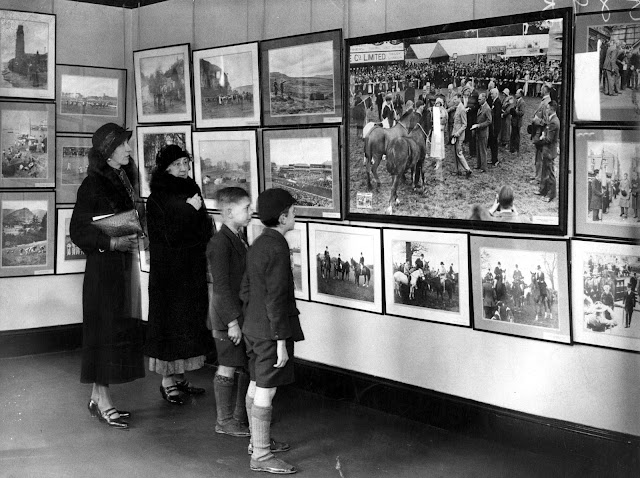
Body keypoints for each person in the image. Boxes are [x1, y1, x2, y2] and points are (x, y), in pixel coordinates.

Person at [70, 123, 145, 430]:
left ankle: (96, 396)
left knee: (113, 330)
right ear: (108, 152)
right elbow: (78, 231)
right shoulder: (91, 186)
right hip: (103, 271)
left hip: (121, 268)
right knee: (104, 332)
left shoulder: (122, 179)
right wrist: (111, 242)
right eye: (124, 145)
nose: (129, 149)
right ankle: (103, 401)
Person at [144, 144, 213, 406]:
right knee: (170, 325)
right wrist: (189, 210)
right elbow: (169, 235)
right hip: (169, 274)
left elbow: (203, 227)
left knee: (187, 322)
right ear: (167, 168)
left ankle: (179, 377)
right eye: (179, 164)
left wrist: (193, 212)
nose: (184, 168)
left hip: (190, 268)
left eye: (186, 162)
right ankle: (166, 382)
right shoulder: (158, 197)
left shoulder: (191, 191)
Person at [241, 188, 303, 474]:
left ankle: (257, 443)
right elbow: (276, 299)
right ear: (282, 217)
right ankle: (262, 456)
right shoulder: (278, 247)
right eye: (292, 211)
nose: (295, 215)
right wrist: (280, 340)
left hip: (253, 328)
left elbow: (245, 289)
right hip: (269, 332)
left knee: (256, 382)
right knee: (267, 389)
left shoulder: (258, 242)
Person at [207, 187, 253, 437]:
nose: (251, 212)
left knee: (242, 364)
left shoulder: (238, 237)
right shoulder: (219, 243)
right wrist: (233, 322)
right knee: (227, 366)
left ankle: (238, 418)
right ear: (228, 211)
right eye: (246, 208)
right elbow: (222, 287)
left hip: (238, 314)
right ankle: (224, 421)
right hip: (227, 317)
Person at [534, 100, 559, 202]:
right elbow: (547, 131)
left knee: (550, 173)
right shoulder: (551, 119)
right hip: (547, 150)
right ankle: (543, 190)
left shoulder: (554, 121)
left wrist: (539, 141)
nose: (546, 109)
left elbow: (549, 139)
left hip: (549, 150)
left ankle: (551, 194)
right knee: (545, 171)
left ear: (552, 109)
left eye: (548, 108)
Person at [451, 92, 472, 177]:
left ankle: (467, 169)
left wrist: (457, 133)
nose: (454, 100)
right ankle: (458, 170)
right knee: (455, 153)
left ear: (459, 98)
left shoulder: (462, 109)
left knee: (459, 153)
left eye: (455, 99)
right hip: (455, 134)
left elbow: (464, 124)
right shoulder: (458, 107)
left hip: (459, 135)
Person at [471, 93, 491, 173]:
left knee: (483, 149)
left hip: (483, 132)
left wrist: (479, 125)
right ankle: (479, 164)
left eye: (479, 99)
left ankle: (484, 167)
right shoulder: (481, 107)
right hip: (479, 131)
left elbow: (489, 121)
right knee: (478, 148)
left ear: (484, 99)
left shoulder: (487, 108)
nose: (478, 101)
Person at [431, 97, 448, 182]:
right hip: (435, 129)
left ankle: (439, 161)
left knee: (439, 145)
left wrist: (439, 123)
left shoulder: (443, 111)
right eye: (436, 103)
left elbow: (444, 121)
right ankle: (436, 160)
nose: (437, 104)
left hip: (440, 129)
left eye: (439, 103)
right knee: (435, 145)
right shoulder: (435, 111)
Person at [488, 88, 502, 167]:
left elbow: (497, 115)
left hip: (495, 126)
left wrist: (491, 112)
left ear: (496, 94)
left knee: (494, 143)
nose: (491, 95)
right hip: (493, 125)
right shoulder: (494, 101)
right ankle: (493, 159)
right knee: (492, 143)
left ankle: (495, 160)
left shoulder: (498, 102)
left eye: (492, 94)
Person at [509, 89, 525, 154]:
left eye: (517, 93)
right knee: (513, 135)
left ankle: (516, 149)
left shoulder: (522, 102)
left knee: (516, 136)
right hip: (514, 121)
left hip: (517, 122)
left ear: (520, 94)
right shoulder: (517, 101)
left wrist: (515, 112)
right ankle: (512, 149)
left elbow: (522, 112)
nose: (515, 94)